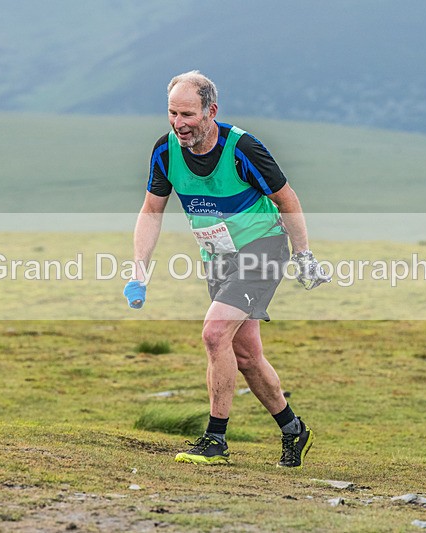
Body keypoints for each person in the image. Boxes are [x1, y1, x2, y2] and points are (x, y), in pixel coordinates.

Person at [123, 70, 330, 468]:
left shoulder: (243, 148)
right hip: (217, 257)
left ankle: (215, 438)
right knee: (246, 354)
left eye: (187, 114)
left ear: (210, 111)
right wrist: (139, 272)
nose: (179, 124)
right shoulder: (165, 151)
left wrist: (303, 255)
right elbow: (151, 210)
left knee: (214, 333)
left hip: (262, 249)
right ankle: (293, 429)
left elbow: (287, 199)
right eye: (172, 113)